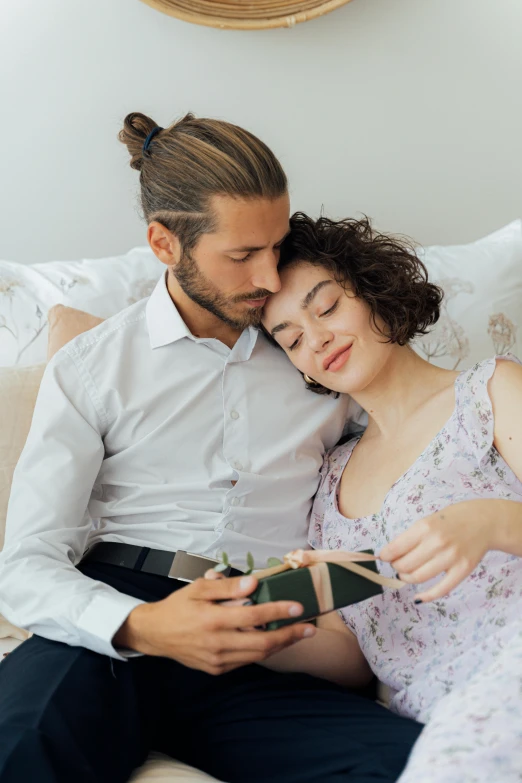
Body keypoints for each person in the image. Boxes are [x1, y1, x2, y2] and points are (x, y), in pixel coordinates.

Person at [0, 113, 422, 783]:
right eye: (241, 255)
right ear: (165, 244)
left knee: (419, 766)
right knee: (16, 749)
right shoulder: (90, 368)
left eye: (278, 245)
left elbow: (410, 446)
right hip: (116, 618)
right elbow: (24, 563)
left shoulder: (319, 345)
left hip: (264, 633)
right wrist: (142, 625)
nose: (269, 274)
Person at [261, 212, 522, 783]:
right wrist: (266, 630)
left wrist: (493, 522)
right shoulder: (328, 483)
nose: (318, 338)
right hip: (437, 712)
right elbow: (353, 660)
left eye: (326, 308)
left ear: (373, 286)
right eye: (293, 339)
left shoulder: (489, 392)